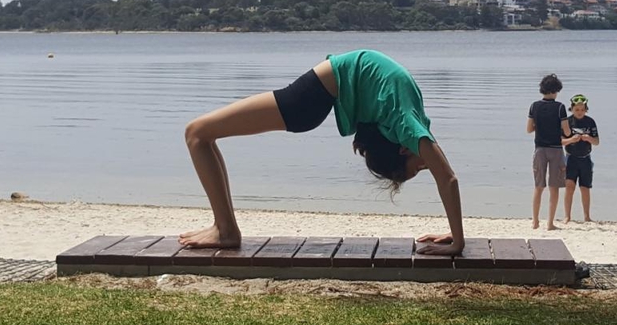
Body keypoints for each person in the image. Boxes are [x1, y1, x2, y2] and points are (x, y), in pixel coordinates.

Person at [178, 49, 464, 255]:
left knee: (197, 133)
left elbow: (445, 177)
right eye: (417, 169)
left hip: (310, 100)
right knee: (198, 133)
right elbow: (448, 178)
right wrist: (457, 240)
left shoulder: (407, 126)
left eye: (418, 168)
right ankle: (224, 227)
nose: (426, 165)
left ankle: (226, 230)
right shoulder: (410, 125)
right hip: (310, 99)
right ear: (403, 150)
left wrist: (455, 236)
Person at [526, 74, 571, 230]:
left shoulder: (534, 106)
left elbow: (529, 129)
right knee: (554, 187)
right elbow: (566, 131)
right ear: (555, 90)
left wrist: (541, 127)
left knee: (538, 187)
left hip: (539, 149)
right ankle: (550, 223)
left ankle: (535, 221)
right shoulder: (560, 107)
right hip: (556, 150)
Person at [561, 94, 599, 223]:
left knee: (585, 188)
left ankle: (587, 216)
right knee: (569, 187)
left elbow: (597, 142)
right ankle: (567, 216)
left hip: (586, 159)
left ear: (586, 110)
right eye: (577, 109)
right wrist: (571, 139)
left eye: (582, 110)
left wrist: (589, 138)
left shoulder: (590, 122)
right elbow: (560, 141)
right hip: (571, 158)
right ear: (571, 109)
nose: (580, 112)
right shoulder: (567, 122)